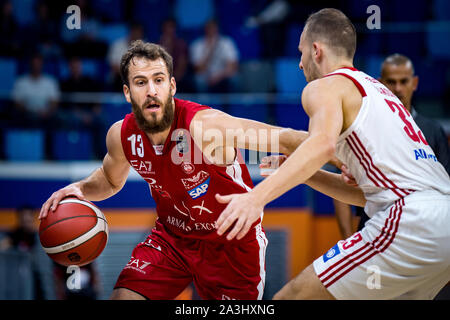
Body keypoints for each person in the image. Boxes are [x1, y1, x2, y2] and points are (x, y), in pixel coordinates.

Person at [39, 40, 310, 300]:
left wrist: (342, 153)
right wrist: (82, 188)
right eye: (140, 82)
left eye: (158, 80)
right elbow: (110, 180)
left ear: (172, 86)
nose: (151, 91)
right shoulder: (122, 136)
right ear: (127, 92)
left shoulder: (205, 127)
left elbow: (286, 138)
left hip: (231, 244)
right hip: (173, 239)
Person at [215, 8, 450, 300]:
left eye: (300, 52)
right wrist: (306, 174)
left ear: (316, 50)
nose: (299, 64)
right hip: (442, 220)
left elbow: (321, 144)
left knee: (289, 297)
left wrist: (255, 198)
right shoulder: (381, 93)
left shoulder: (323, 87)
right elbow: (368, 195)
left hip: (410, 220)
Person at [335, 53, 450, 237]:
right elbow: (341, 181)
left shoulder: (433, 130)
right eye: (391, 81)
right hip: (373, 228)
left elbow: (445, 187)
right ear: (380, 83)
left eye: (404, 81)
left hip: (422, 231)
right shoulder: (364, 125)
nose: (398, 88)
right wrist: (348, 237)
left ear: (415, 82)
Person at [0, 205, 45, 299]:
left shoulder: (39, 237)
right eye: (24, 221)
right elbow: (3, 247)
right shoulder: (14, 236)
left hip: (36, 281)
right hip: (17, 283)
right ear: (19, 220)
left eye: (28, 221)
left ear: (33, 219)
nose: (26, 225)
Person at [189, 19, 239, 93]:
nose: (211, 31)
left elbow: (233, 66)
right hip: (205, 75)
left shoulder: (227, 42)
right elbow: (198, 69)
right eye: (209, 28)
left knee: (235, 78)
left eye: (214, 28)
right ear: (205, 30)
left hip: (223, 74)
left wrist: (218, 76)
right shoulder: (197, 45)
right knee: (199, 80)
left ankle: (231, 104)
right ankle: (203, 103)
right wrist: (211, 50)